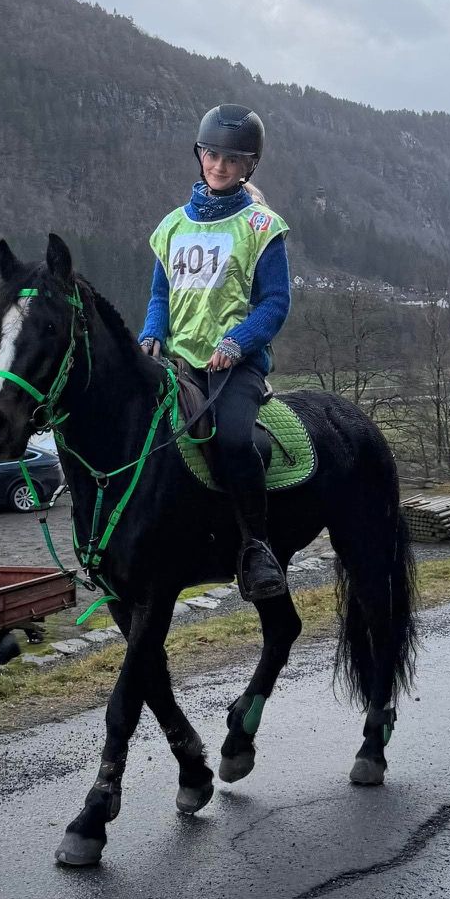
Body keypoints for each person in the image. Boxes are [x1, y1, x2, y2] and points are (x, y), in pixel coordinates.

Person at [140, 103, 292, 601]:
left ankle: (256, 547)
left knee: (232, 440)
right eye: (211, 154)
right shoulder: (171, 227)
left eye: (232, 158)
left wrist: (238, 342)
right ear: (199, 155)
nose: (219, 165)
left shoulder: (262, 226)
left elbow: (275, 302)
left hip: (234, 367)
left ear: (249, 165)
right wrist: (151, 332)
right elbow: (160, 295)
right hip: (178, 362)